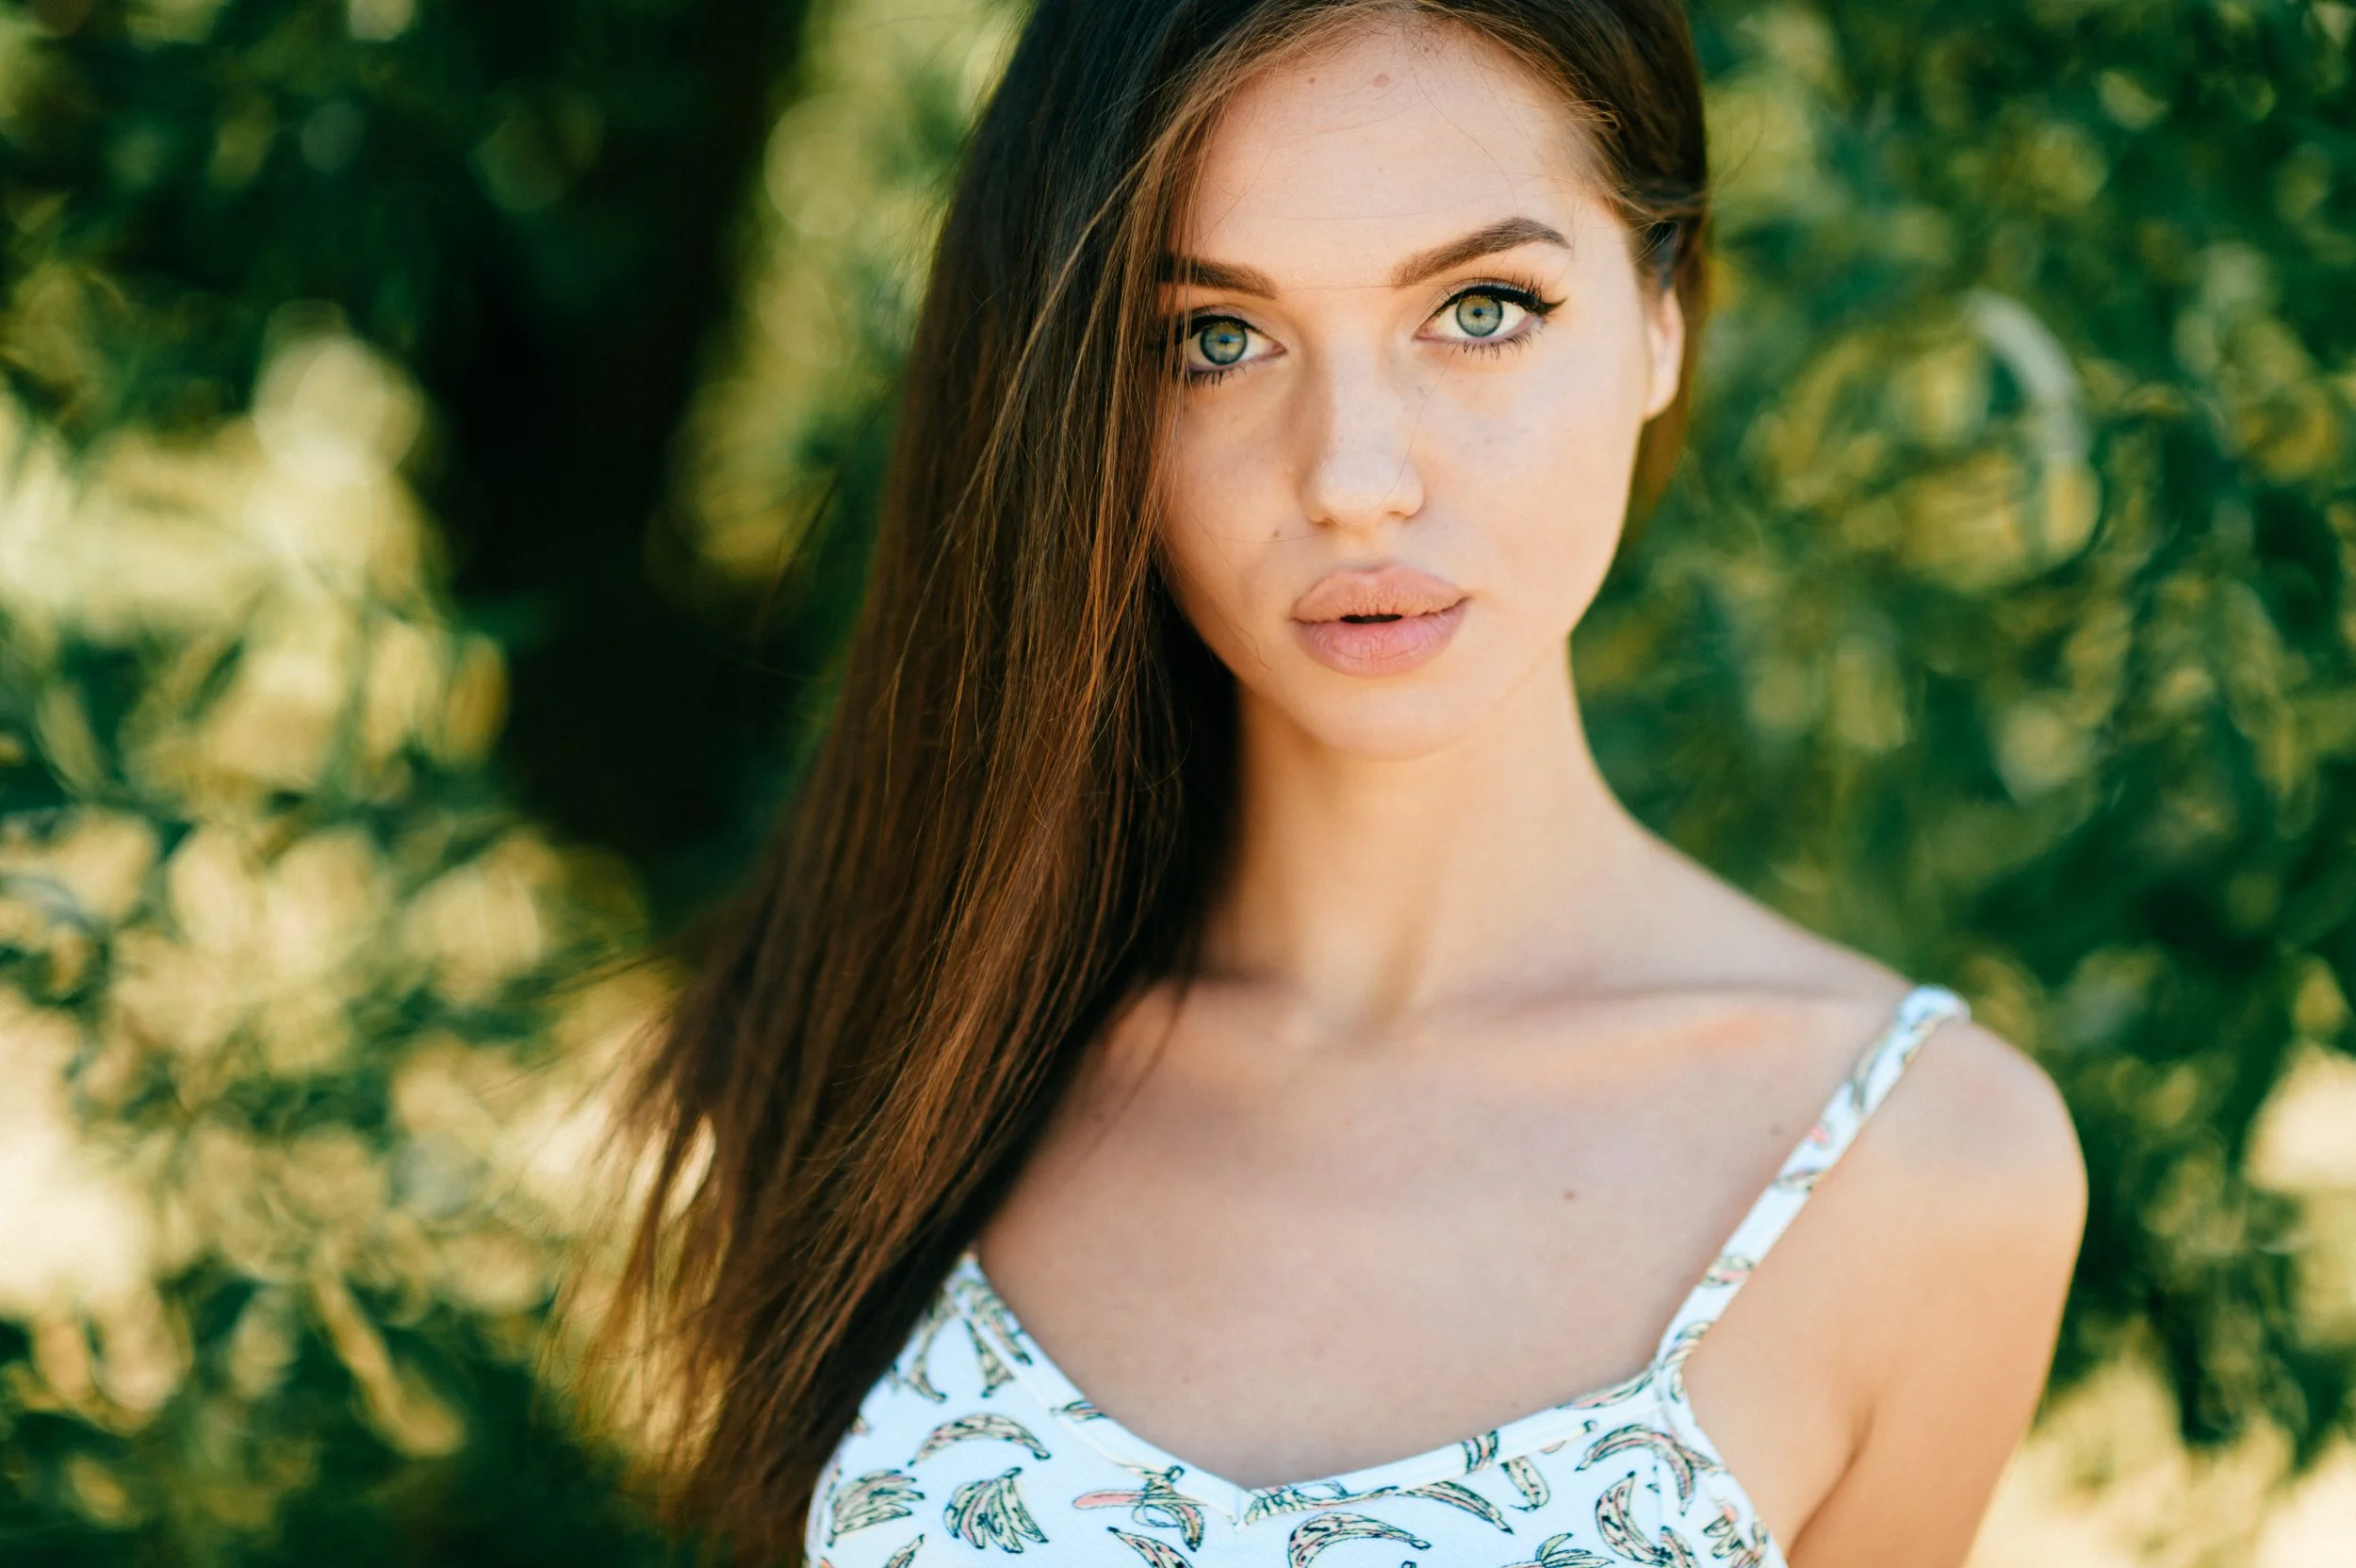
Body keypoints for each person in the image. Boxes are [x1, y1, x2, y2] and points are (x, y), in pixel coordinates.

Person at [608, 3, 2087, 1565]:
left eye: (1484, 307)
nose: (1356, 480)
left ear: (1664, 315)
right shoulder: (890, 1056)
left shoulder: (1922, 1174)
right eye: (1216, 339)